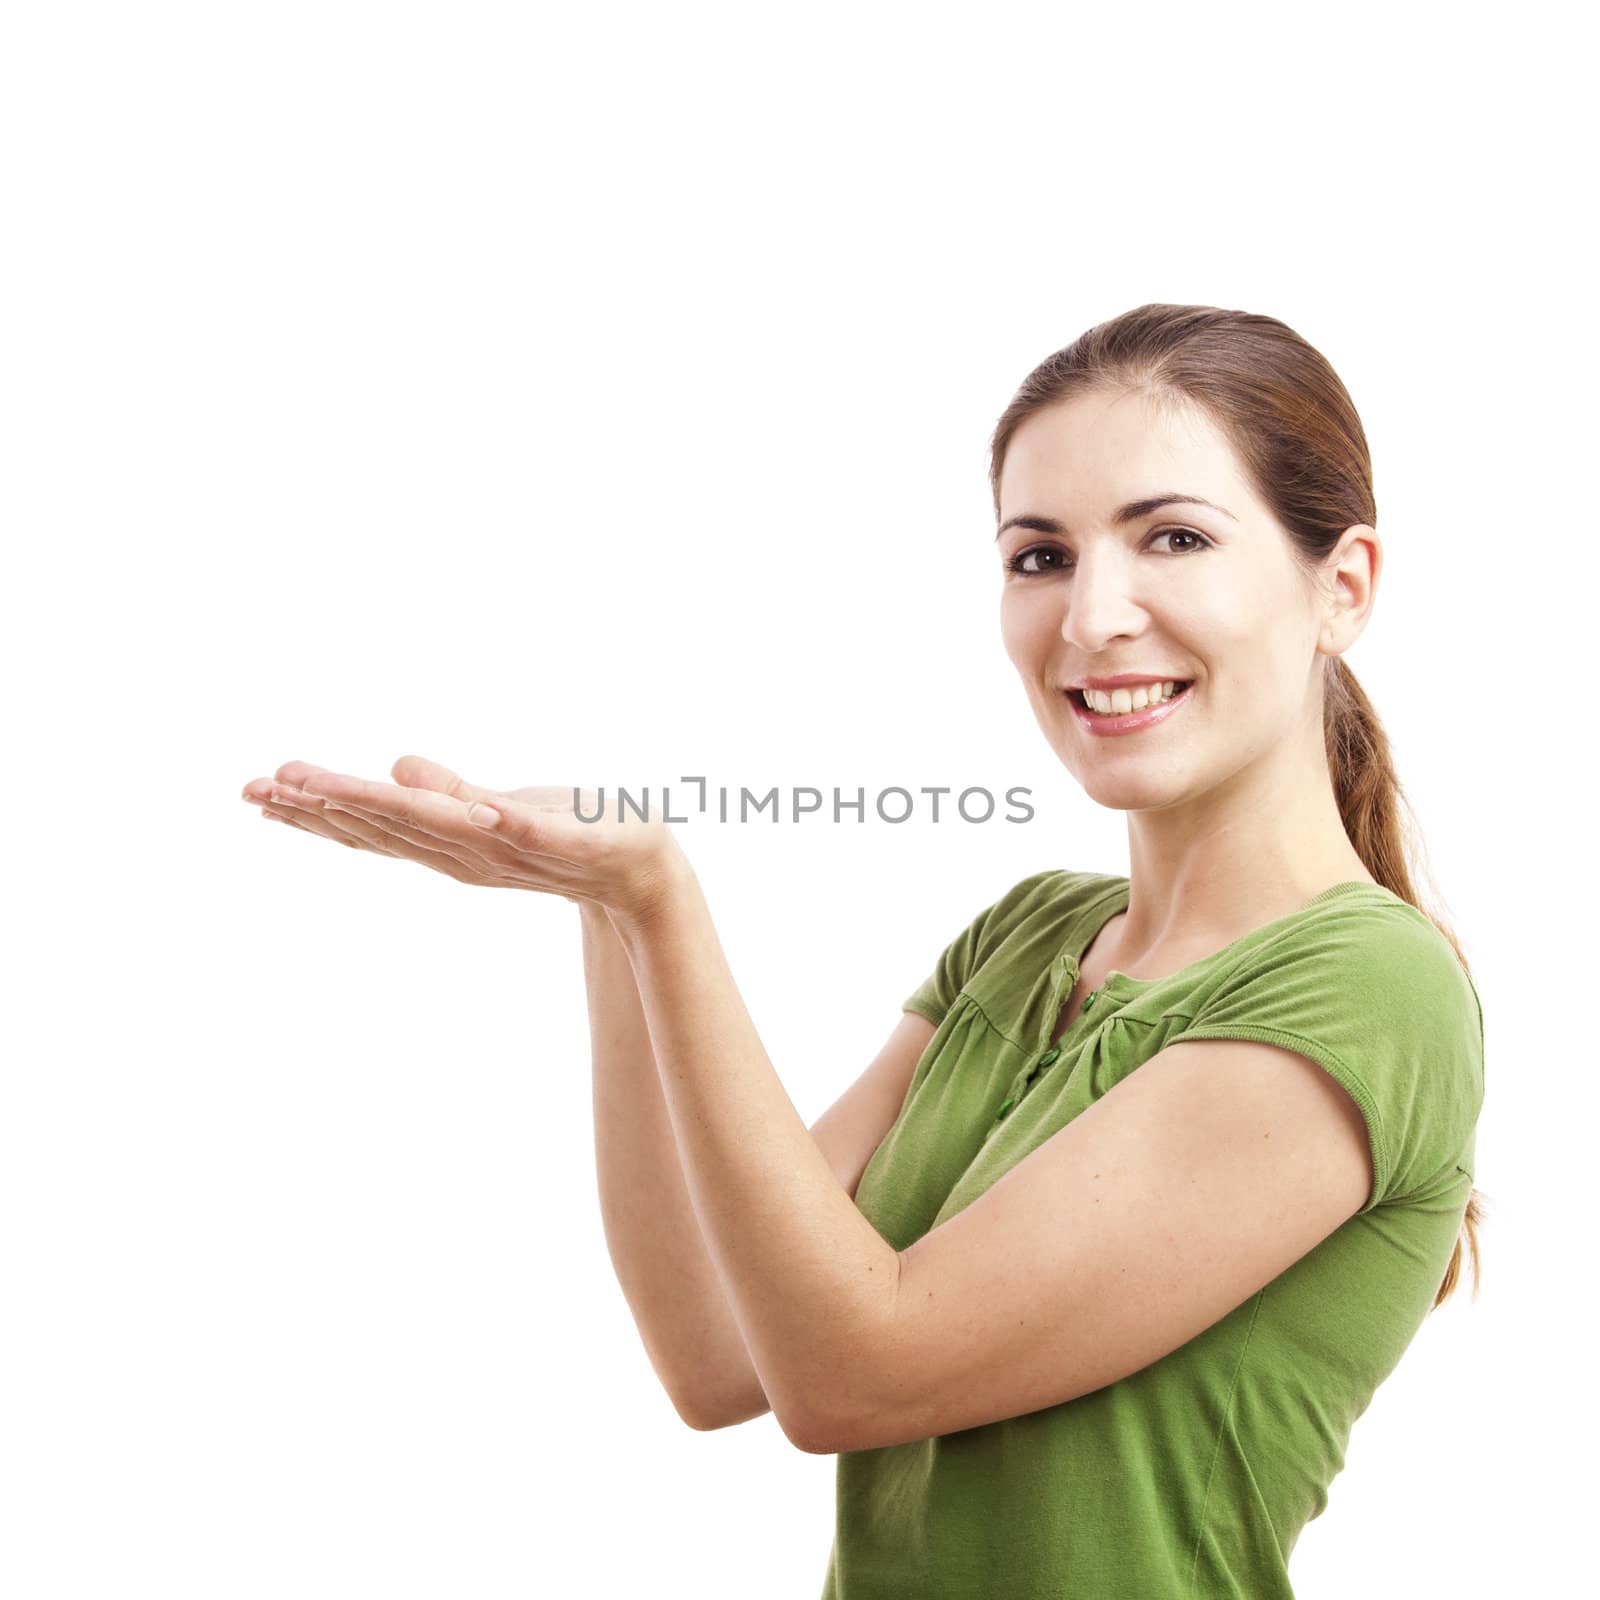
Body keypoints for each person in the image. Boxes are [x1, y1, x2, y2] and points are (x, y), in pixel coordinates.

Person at [240, 301, 1486, 1599]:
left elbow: (856, 1376)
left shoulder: (1367, 989)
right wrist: (605, 909)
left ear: (1341, 588)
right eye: (1039, 555)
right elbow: (720, 1354)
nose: (1092, 616)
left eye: (1172, 537)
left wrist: (664, 904)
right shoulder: (1030, 939)